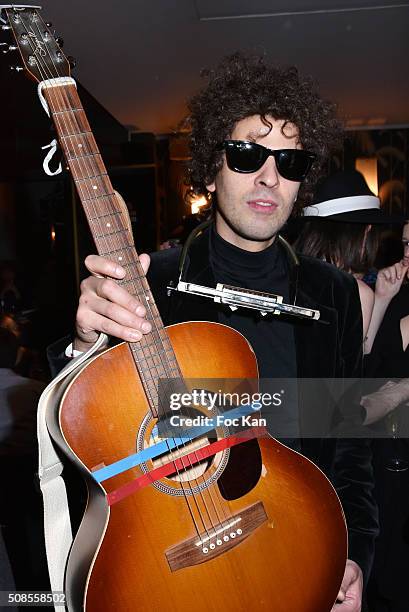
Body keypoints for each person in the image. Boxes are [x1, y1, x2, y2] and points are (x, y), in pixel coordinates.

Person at [49, 53, 378, 611]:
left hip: (298, 545)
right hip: (175, 562)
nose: (269, 176)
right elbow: (89, 432)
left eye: (290, 161)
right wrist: (84, 344)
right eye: (247, 154)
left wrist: (352, 553)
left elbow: (350, 447)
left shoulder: (334, 294)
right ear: (209, 167)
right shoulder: (150, 283)